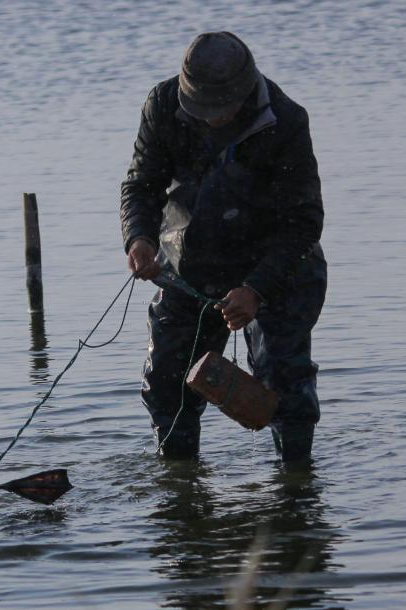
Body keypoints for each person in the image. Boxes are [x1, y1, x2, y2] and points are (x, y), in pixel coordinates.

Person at [120, 31, 327, 462]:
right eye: (201, 110)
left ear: (244, 91)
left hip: (278, 270)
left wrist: (256, 289)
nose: (210, 119)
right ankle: (179, 482)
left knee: (284, 385)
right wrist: (138, 237)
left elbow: (304, 223)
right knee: (166, 383)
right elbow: (141, 185)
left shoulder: (285, 121)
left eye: (219, 110)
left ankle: (295, 496)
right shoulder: (163, 105)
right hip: (189, 268)